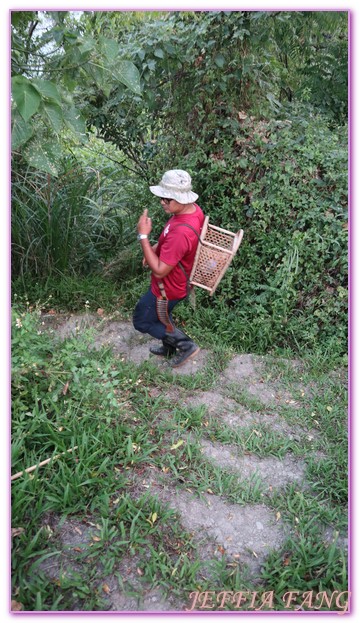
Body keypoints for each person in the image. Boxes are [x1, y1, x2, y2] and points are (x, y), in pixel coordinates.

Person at [133, 169, 205, 367]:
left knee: (143, 320)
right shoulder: (192, 210)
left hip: (169, 287)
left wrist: (144, 237)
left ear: (180, 198)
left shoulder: (181, 233)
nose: (162, 202)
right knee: (163, 314)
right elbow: (170, 242)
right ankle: (169, 347)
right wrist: (154, 249)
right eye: (162, 197)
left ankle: (186, 345)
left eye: (167, 198)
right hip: (179, 281)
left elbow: (160, 270)